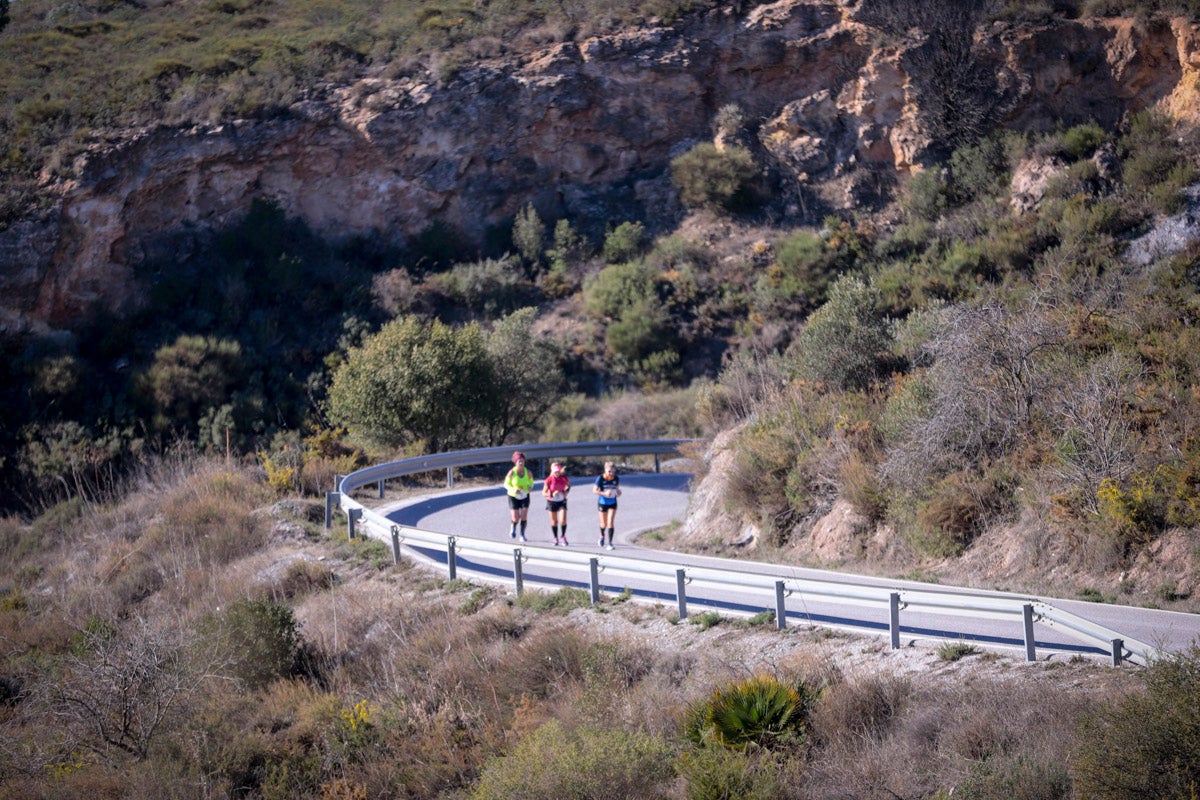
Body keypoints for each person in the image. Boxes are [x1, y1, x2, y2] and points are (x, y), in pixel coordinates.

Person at [504, 451, 534, 541]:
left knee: (524, 515)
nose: (521, 463)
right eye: (519, 461)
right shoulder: (512, 472)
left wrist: (530, 487)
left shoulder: (528, 472)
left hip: (524, 495)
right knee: (516, 517)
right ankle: (513, 526)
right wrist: (514, 489)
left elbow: (531, 483)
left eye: (522, 461)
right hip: (513, 496)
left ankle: (522, 534)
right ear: (516, 462)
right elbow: (505, 484)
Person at [593, 461, 621, 550]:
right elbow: (594, 490)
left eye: (613, 471)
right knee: (603, 523)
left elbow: (617, 489)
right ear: (605, 470)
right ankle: (602, 536)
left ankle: (610, 543)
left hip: (612, 502)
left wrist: (619, 492)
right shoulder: (600, 478)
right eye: (609, 471)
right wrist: (604, 493)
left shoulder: (616, 478)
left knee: (610, 522)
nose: (611, 473)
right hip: (602, 502)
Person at [542, 461, 571, 545]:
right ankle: (555, 538)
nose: (557, 473)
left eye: (558, 471)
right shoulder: (549, 480)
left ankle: (563, 536)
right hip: (552, 502)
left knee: (563, 520)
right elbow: (543, 493)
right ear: (552, 471)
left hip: (562, 501)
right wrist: (551, 493)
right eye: (555, 472)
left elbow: (568, 486)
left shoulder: (563, 478)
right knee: (554, 521)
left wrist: (566, 492)